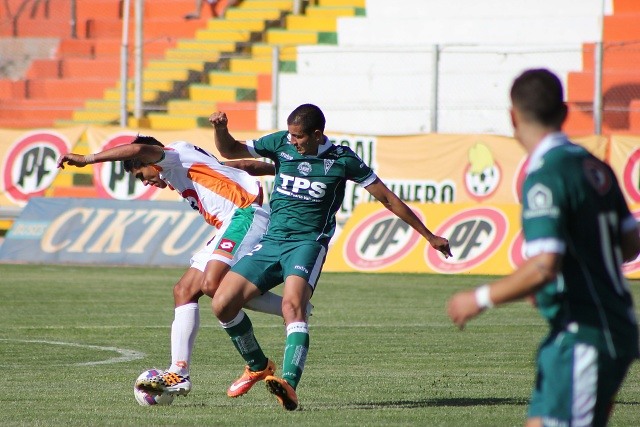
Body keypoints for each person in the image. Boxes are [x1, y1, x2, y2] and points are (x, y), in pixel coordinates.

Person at [208, 104, 452, 410]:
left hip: (307, 243)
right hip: (272, 240)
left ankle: (288, 384)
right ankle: (257, 364)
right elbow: (231, 150)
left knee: (291, 305)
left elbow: (388, 198)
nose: (292, 140)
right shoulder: (280, 143)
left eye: (299, 136)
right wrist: (220, 129)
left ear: (317, 134)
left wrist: (429, 236)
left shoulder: (343, 159)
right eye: (291, 135)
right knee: (221, 302)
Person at [447, 69, 640, 427]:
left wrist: (479, 298)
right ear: (565, 112)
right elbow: (630, 245)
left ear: (513, 117)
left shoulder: (546, 175)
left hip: (586, 333)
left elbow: (543, 265)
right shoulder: (594, 165)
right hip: (594, 329)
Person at [56, 135, 310, 398]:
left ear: (149, 160)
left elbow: (140, 148)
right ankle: (180, 372)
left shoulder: (171, 157)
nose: (145, 181)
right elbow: (242, 168)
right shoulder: (186, 163)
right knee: (184, 290)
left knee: (212, 285)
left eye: (141, 174)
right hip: (229, 224)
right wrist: (282, 167)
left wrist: (87, 159)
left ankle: (292, 307)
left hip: (244, 214)